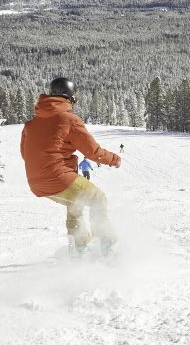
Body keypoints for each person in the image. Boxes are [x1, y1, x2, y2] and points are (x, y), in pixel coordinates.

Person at [21, 77, 122, 257]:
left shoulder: (31, 124)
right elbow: (92, 151)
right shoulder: (69, 119)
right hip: (59, 178)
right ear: (70, 97)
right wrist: (114, 159)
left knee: (76, 204)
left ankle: (79, 248)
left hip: (36, 183)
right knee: (98, 199)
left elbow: (25, 154)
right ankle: (109, 247)